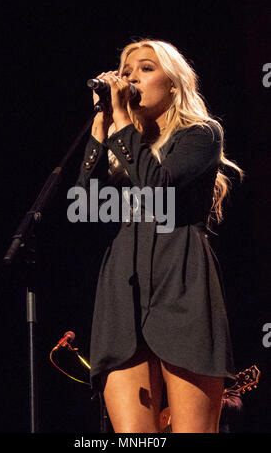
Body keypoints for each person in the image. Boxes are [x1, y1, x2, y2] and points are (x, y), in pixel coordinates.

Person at [73, 38, 244, 433]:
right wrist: (101, 129)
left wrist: (122, 123)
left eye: (146, 69)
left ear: (174, 84)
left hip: (181, 282)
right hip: (123, 288)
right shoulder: (123, 142)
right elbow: (85, 206)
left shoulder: (201, 135)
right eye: (127, 71)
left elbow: (158, 188)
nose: (131, 78)